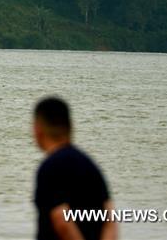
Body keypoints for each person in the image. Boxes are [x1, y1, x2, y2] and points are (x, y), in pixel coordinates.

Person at [33, 96, 117, 240]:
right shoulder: (90, 165)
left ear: (37, 130)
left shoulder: (49, 168)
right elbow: (110, 218)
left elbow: (61, 220)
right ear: (71, 127)